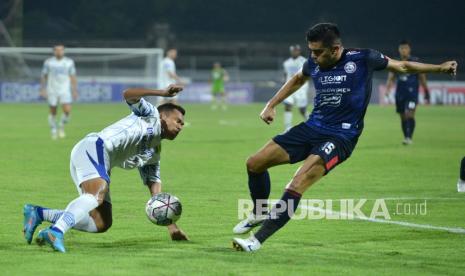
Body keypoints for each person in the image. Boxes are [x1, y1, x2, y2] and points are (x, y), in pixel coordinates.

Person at [232, 23, 457, 252]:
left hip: (341, 136)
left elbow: (403, 67)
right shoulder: (313, 63)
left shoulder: (363, 58)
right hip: (312, 127)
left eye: (318, 52)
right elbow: (298, 79)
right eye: (311, 50)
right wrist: (271, 105)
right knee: (255, 163)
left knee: (297, 182)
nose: (313, 56)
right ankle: (259, 211)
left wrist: (439, 68)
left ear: (336, 49)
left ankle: (255, 241)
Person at [23, 85, 188, 253]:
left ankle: (39, 213)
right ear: (163, 116)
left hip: (100, 160)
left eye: (183, 124)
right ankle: (56, 232)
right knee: (96, 196)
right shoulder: (150, 114)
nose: (181, 126)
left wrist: (171, 227)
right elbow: (128, 94)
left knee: (101, 222)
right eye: (178, 121)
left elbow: (156, 194)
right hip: (96, 146)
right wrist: (162, 93)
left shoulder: (154, 151)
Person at [385, 40, 430, 145]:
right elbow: (391, 78)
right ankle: (406, 136)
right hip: (400, 94)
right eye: (401, 48)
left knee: (410, 114)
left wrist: (426, 91)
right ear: (399, 49)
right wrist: (387, 90)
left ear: (409, 49)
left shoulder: (415, 61)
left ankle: (409, 137)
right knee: (403, 116)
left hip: (412, 94)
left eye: (405, 48)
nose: (403, 50)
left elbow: (422, 78)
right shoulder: (395, 62)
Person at [40, 44, 78, 139]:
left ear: (64, 51)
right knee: (53, 111)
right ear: (54, 51)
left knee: (67, 111)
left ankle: (61, 125)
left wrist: (74, 90)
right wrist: (43, 89)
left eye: (61, 50)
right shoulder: (48, 62)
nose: (59, 52)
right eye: (57, 50)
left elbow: (73, 76)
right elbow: (44, 75)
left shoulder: (69, 62)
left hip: (65, 89)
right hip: (52, 89)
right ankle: (53, 130)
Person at [283, 45, 309, 130]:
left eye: (297, 50)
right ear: (291, 51)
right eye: (294, 50)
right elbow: (286, 75)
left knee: (302, 110)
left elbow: (308, 74)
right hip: (289, 87)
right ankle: (287, 128)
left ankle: (311, 125)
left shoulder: (304, 61)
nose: (295, 52)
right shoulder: (287, 63)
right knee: (287, 105)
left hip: (301, 88)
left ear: (299, 51)